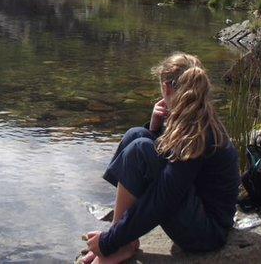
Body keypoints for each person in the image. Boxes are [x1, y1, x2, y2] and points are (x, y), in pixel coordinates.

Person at [82, 53, 240, 263]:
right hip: (197, 210)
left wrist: (108, 241)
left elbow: (163, 198)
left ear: (166, 88)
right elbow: (168, 164)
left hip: (207, 234)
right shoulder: (194, 116)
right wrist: (155, 128)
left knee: (139, 149)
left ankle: (119, 244)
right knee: (136, 135)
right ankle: (123, 240)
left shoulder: (194, 132)